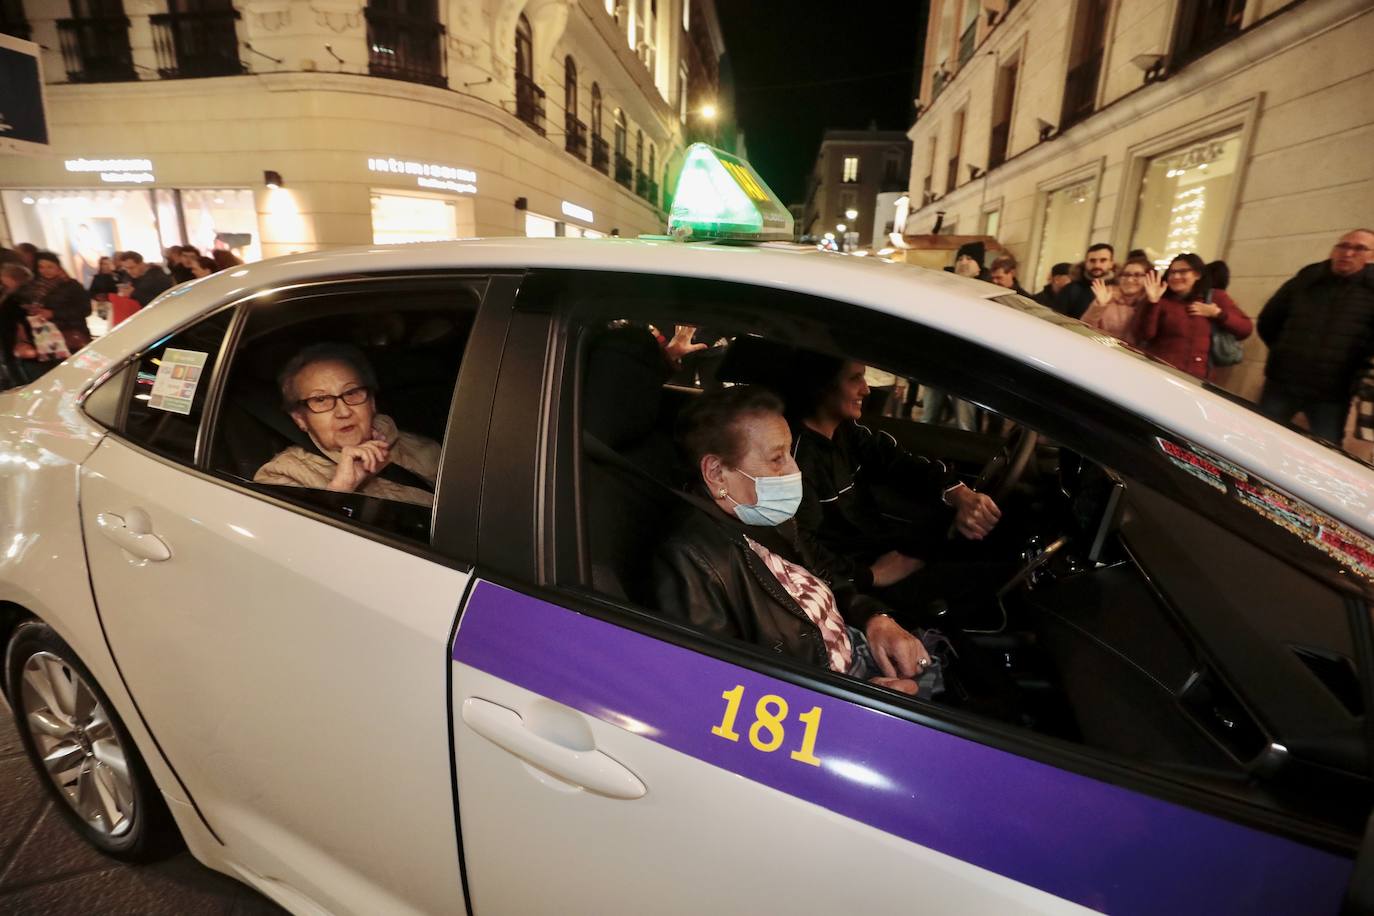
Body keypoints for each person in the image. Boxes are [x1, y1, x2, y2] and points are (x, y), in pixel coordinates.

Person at [653, 385, 932, 696]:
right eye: (777, 458)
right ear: (717, 473)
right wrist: (855, 696)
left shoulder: (766, 517)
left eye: (789, 452)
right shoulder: (694, 560)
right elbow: (720, 689)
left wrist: (874, 618)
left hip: (859, 649)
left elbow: (828, 579)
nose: (794, 469)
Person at [789, 354, 1002, 620]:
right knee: (996, 583)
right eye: (855, 378)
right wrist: (871, 576)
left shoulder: (847, 432)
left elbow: (899, 462)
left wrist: (957, 492)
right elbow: (800, 546)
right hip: (857, 585)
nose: (866, 389)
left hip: (881, 551)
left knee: (985, 558)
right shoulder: (795, 459)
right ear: (822, 384)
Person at [255, 342, 440, 507]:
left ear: (372, 403)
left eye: (351, 392)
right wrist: (339, 489)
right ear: (300, 419)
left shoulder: (423, 447)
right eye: (320, 399)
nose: (343, 412)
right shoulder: (281, 476)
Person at [1256, 229, 1374, 445]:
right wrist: (1284, 351)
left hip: (1333, 394)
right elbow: (1268, 320)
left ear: (1372, 257)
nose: (1348, 253)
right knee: (1260, 439)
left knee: (1326, 453)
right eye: (1343, 246)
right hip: (1283, 383)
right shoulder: (1308, 278)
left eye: (1359, 248)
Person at [1135, 252, 1252, 380]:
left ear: (1197, 274)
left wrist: (1217, 314)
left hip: (1199, 378)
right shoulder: (1162, 299)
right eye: (1172, 272)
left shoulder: (1215, 297)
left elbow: (1245, 329)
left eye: (1183, 272)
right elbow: (1145, 335)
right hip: (1163, 374)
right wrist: (1153, 303)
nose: (1176, 276)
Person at [1082, 255, 1152, 345]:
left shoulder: (1150, 303)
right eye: (1126, 275)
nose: (1130, 280)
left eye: (1137, 275)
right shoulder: (1108, 296)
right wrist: (1099, 306)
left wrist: (1152, 302)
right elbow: (1085, 329)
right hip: (1103, 350)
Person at [31, 251, 92, 352]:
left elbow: (85, 310)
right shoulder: (35, 287)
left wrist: (53, 313)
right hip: (47, 337)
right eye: (41, 267)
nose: (45, 270)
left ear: (58, 267)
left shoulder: (72, 285)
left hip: (73, 335)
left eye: (50, 267)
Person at [1055, 243, 1115, 319]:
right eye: (1092, 261)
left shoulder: (1119, 290)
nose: (1097, 265)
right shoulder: (1071, 290)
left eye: (1103, 260)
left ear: (1111, 264)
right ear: (1086, 263)